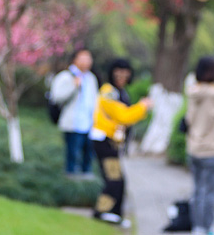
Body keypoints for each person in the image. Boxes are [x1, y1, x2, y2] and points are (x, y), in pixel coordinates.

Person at [90, 59, 152, 228]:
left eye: (125, 73)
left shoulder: (120, 92)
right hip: (105, 142)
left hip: (113, 143)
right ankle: (101, 212)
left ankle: (115, 214)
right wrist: (142, 106)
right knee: (114, 180)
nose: (122, 76)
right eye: (118, 72)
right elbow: (123, 116)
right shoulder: (108, 92)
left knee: (119, 180)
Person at [185, 57, 214, 235]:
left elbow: (189, 119)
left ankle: (197, 227)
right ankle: (207, 227)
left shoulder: (192, 91)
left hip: (193, 147)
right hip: (211, 149)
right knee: (210, 192)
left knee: (198, 190)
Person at [50, 48, 99, 177]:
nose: (87, 61)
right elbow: (56, 97)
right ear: (75, 59)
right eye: (83, 58)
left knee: (88, 156)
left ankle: (86, 185)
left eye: (89, 58)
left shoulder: (91, 78)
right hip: (73, 123)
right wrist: (73, 86)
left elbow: (94, 101)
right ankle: (71, 181)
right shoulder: (65, 76)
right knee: (72, 156)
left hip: (89, 124)